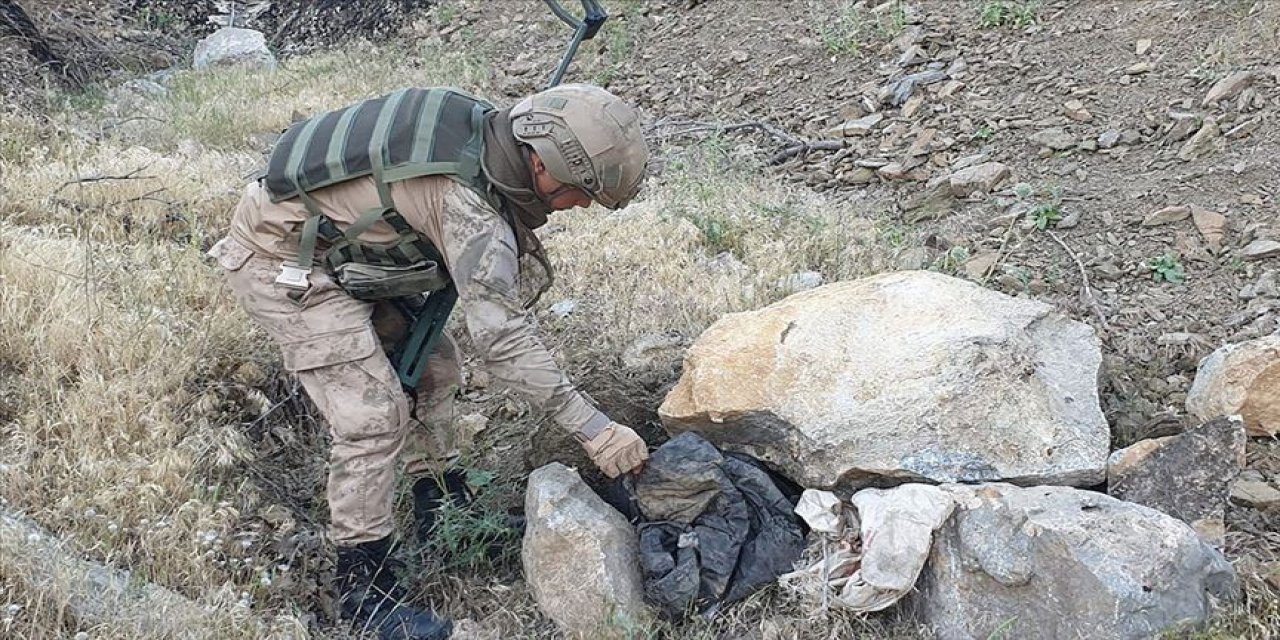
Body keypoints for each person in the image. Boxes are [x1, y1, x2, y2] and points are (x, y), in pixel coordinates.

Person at [207, 83, 651, 640]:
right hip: (284, 261)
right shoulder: (469, 208)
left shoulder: (490, 138)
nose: (580, 206)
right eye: (579, 192)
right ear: (540, 163)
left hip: (345, 245)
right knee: (373, 416)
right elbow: (504, 341)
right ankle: (364, 591)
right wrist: (597, 431)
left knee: (435, 366)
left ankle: (439, 510)